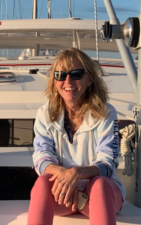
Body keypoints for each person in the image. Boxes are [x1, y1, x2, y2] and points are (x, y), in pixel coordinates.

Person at [27, 48, 125, 225]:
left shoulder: (106, 113)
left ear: (90, 79)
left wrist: (76, 174)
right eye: (60, 75)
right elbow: (41, 157)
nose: (67, 81)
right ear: (54, 81)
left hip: (99, 197)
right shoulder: (45, 113)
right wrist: (66, 177)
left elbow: (107, 163)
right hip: (62, 196)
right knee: (42, 182)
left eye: (76, 74)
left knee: (100, 184)